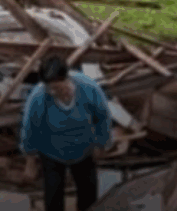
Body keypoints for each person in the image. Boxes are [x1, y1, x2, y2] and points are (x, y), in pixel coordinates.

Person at [20, 55, 112, 211]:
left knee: (88, 196)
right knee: (53, 197)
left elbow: (102, 116)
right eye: (51, 88)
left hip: (83, 148)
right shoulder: (38, 97)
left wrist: (101, 144)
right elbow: (30, 129)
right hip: (51, 152)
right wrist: (30, 162)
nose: (54, 92)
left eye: (59, 87)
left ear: (67, 77)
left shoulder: (88, 88)